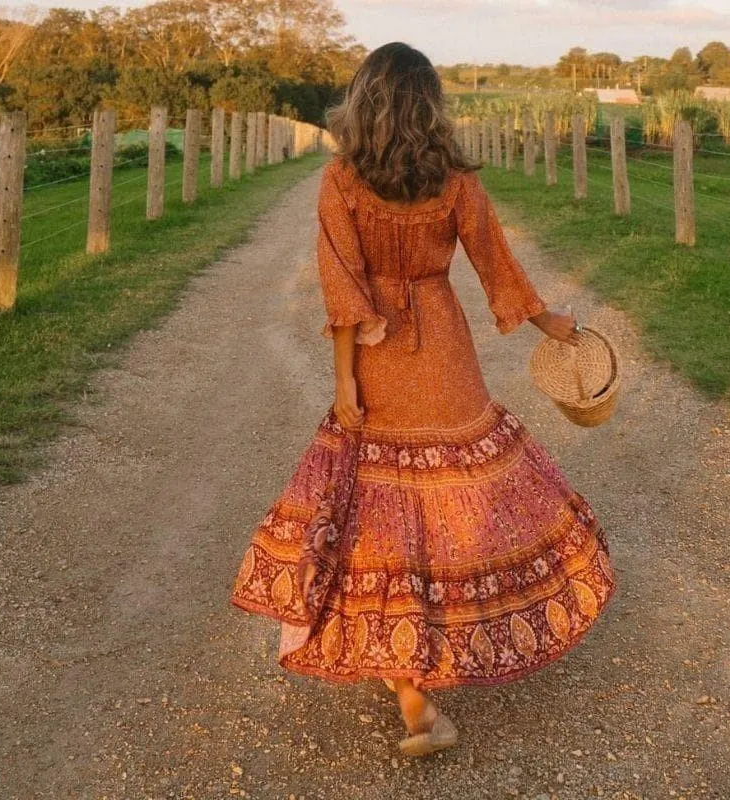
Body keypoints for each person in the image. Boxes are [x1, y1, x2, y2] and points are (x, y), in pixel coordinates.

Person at [231, 42, 616, 757]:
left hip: (377, 361)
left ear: (364, 101)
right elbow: (496, 262)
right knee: (455, 498)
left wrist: (344, 382)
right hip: (443, 347)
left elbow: (341, 289)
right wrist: (550, 321)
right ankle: (436, 665)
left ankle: (413, 694)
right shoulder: (456, 182)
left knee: (372, 510)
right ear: (428, 105)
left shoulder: (340, 181)